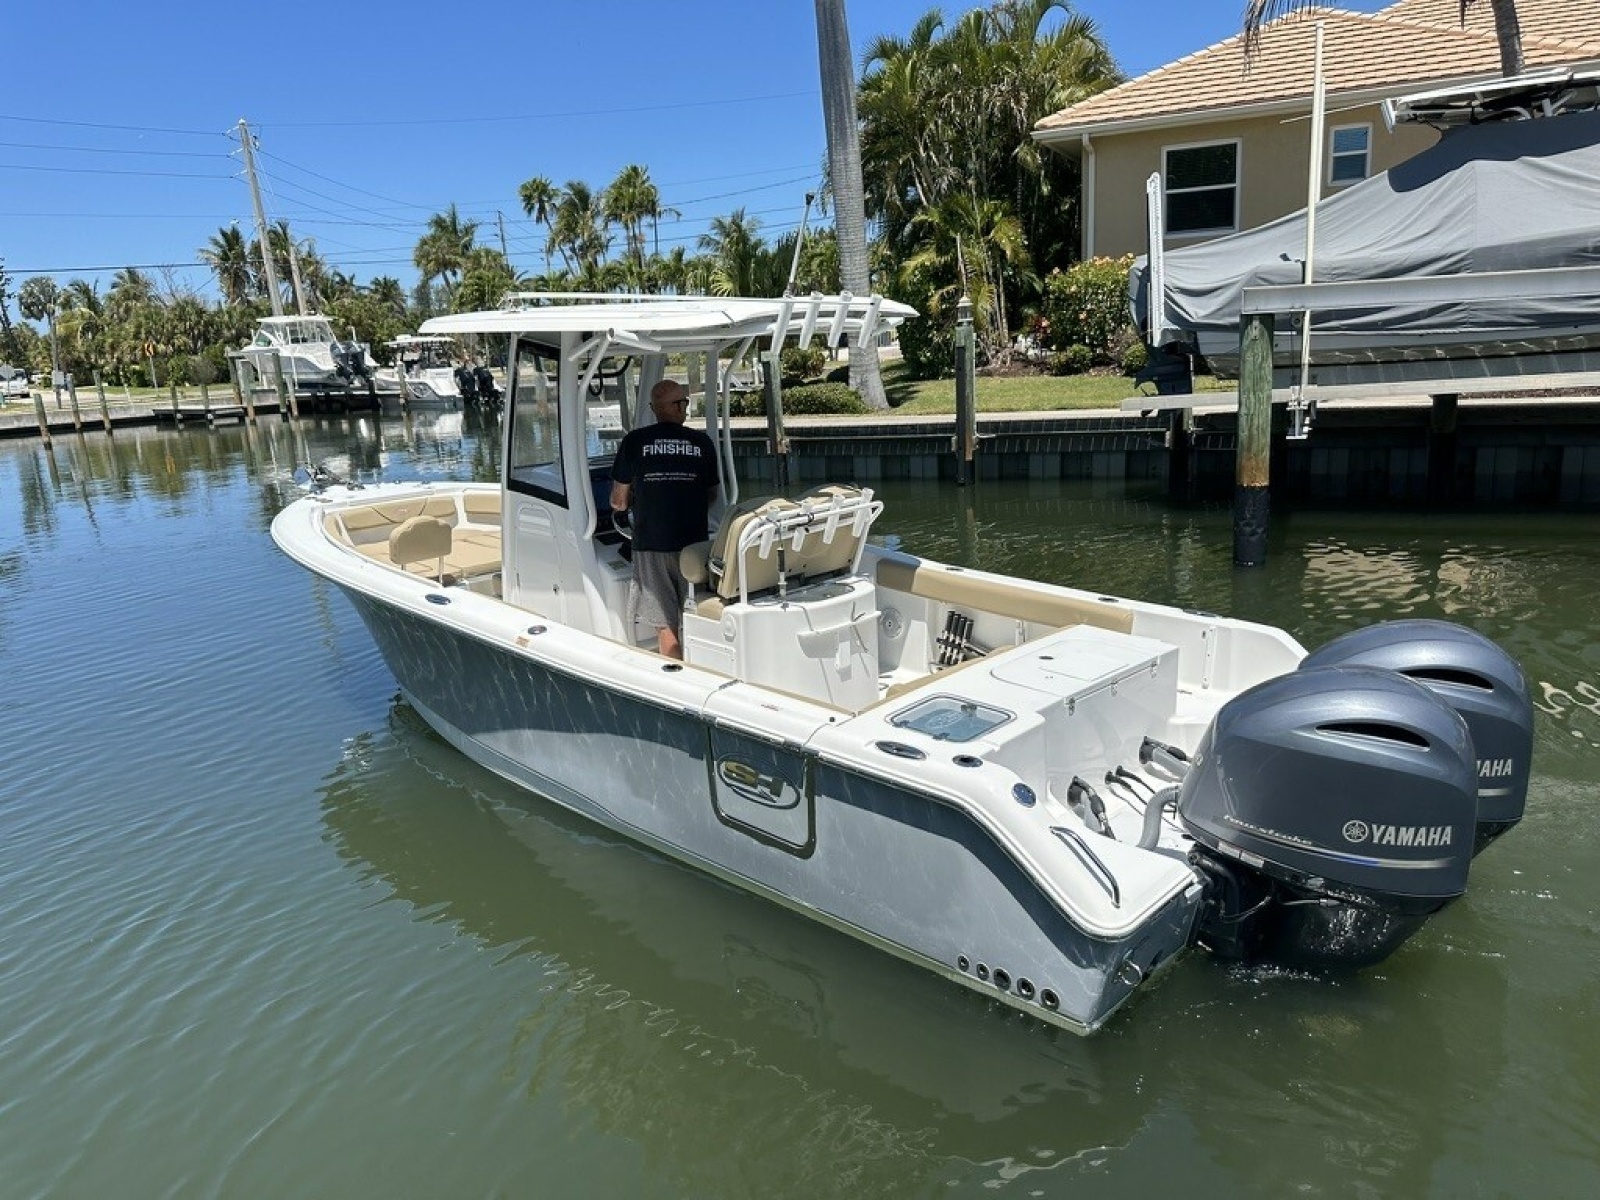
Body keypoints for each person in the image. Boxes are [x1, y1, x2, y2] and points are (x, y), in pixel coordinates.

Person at [609, 378, 719, 659]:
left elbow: (619, 501)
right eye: (684, 401)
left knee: (665, 624)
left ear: (654, 409)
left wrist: (629, 502)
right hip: (694, 545)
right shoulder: (702, 442)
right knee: (695, 615)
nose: (686, 407)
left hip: (652, 544)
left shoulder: (635, 441)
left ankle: (676, 678)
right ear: (677, 407)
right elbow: (712, 494)